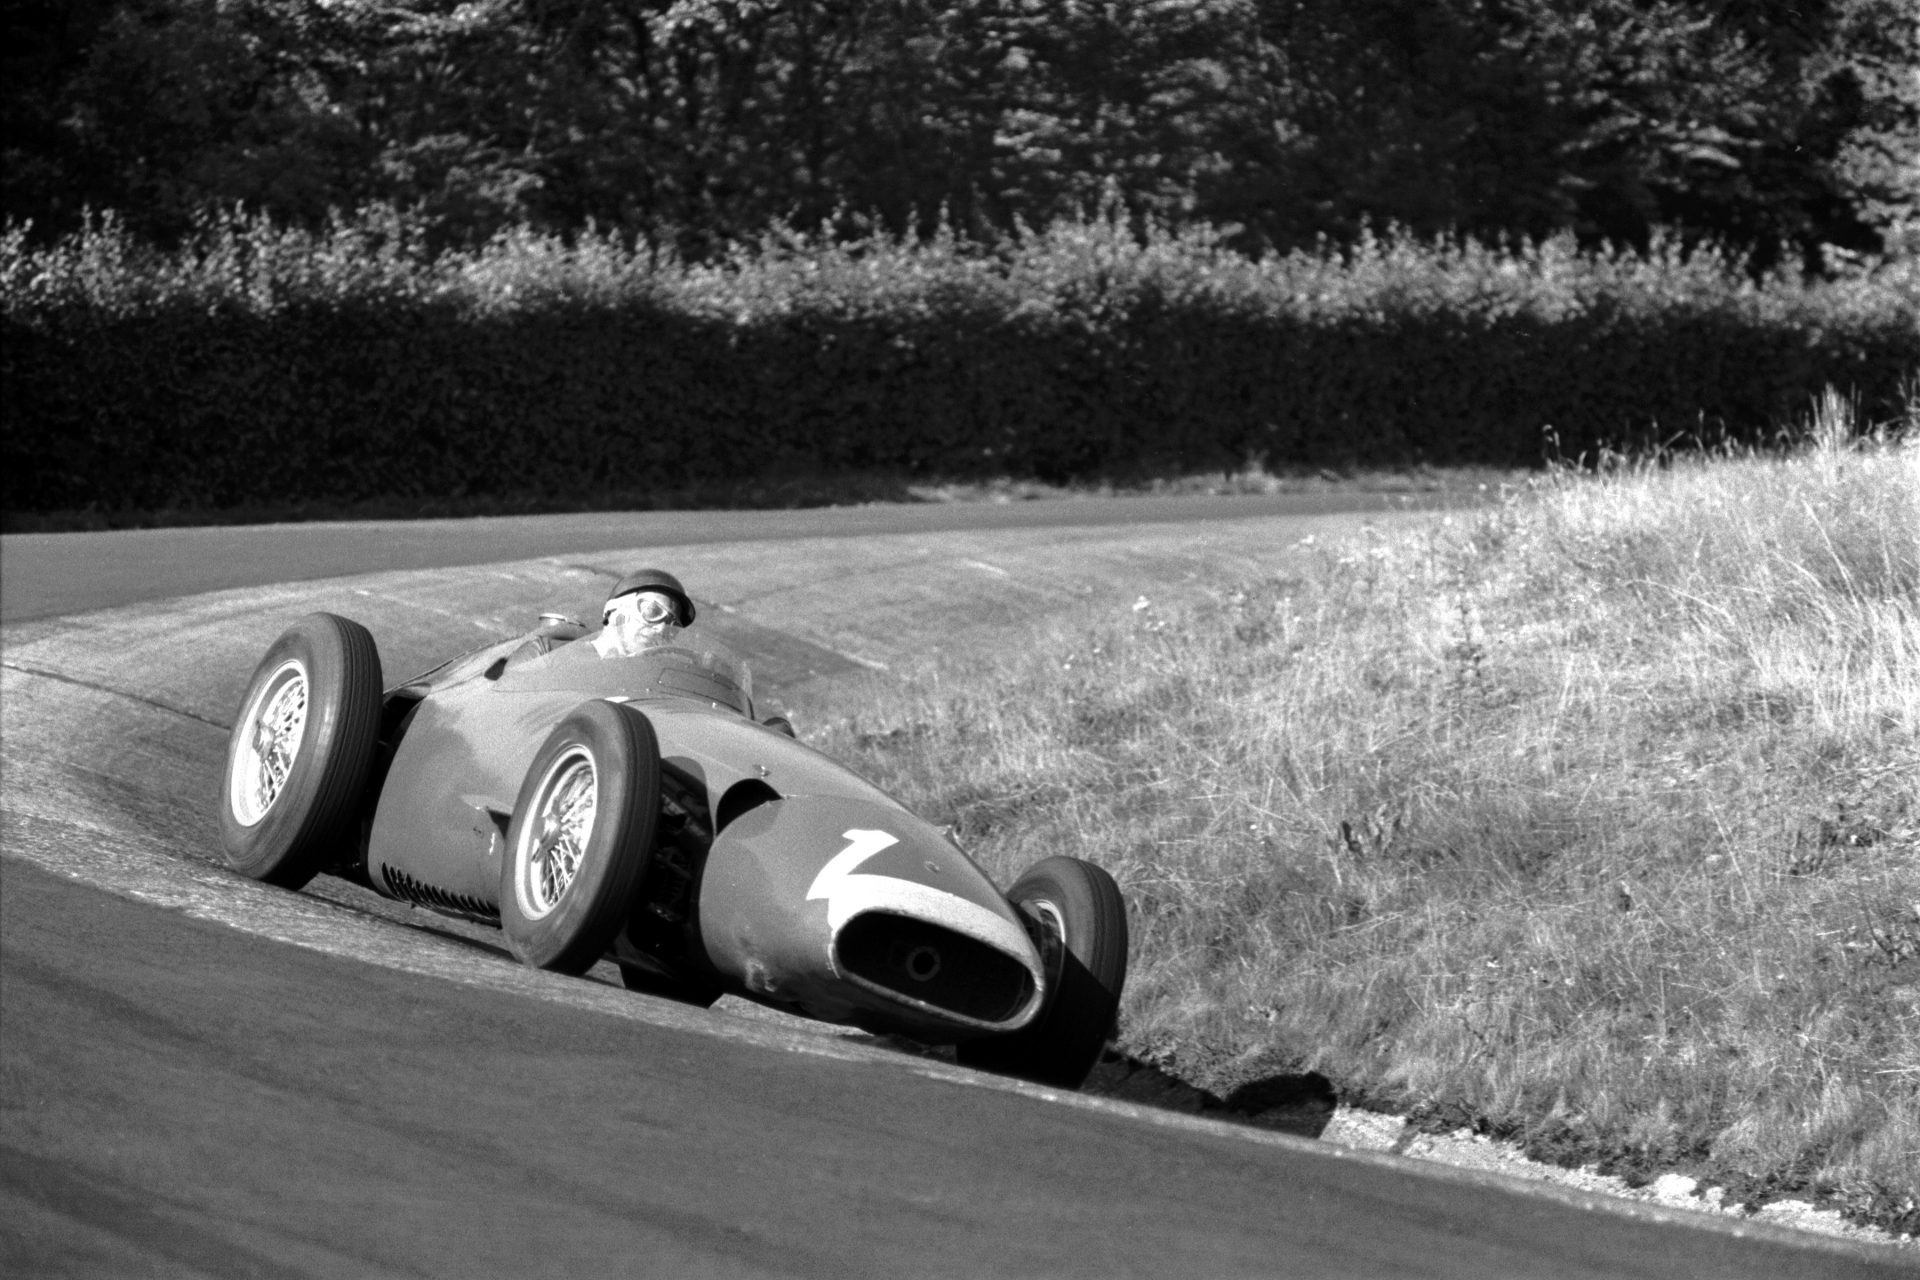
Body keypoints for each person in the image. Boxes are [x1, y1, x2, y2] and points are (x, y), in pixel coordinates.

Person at [589, 568, 697, 658]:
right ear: (612, 609)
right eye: (653, 611)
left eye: (672, 625)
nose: (661, 629)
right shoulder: (576, 666)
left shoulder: (650, 676)